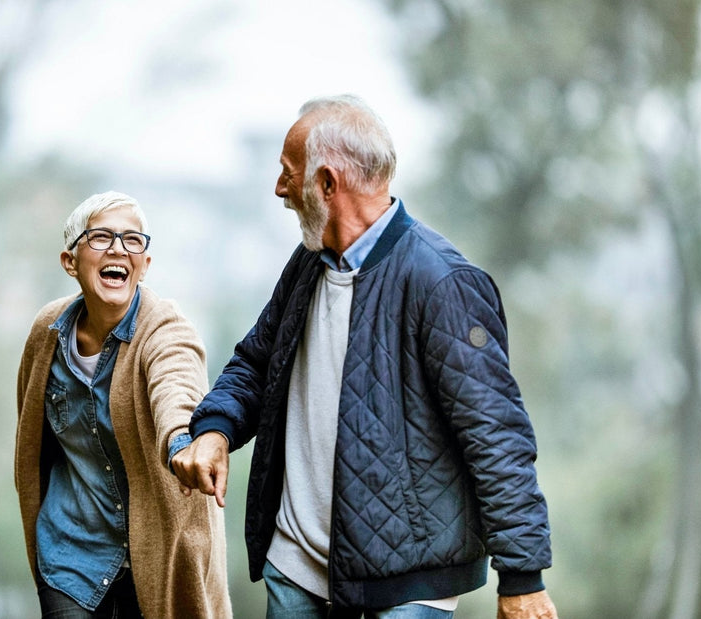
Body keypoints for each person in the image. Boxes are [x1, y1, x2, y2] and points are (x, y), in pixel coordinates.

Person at [171, 95, 558, 619]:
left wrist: (522, 578)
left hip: (406, 589)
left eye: (288, 173)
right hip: (294, 569)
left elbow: (495, 436)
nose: (280, 188)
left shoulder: (442, 282)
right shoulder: (308, 263)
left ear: (327, 184)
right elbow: (258, 363)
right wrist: (215, 430)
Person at [15, 191, 232, 618]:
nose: (118, 249)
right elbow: (32, 439)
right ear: (70, 261)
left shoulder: (166, 329)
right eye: (101, 237)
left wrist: (182, 442)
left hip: (154, 561)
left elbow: (177, 389)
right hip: (69, 556)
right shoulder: (47, 333)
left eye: (132, 240)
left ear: (144, 264)